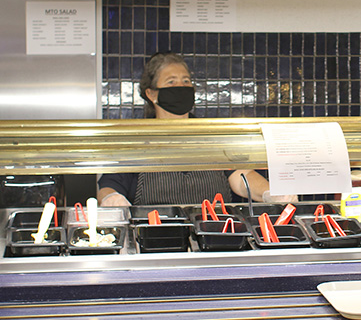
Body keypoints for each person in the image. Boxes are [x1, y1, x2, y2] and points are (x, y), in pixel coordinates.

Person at [99, 52, 284, 206]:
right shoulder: (136, 141)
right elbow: (108, 186)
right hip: (155, 237)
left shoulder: (211, 135)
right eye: (171, 82)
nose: (181, 87)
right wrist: (112, 199)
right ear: (151, 94)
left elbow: (241, 177)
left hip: (214, 235)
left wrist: (270, 192)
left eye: (186, 81)